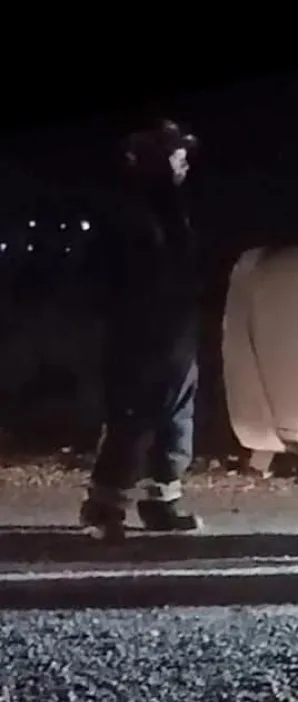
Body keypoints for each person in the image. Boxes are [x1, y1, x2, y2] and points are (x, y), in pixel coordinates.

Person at [80, 118, 204, 540]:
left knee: (176, 420)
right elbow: (110, 278)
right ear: (153, 160)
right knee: (132, 419)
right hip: (140, 335)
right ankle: (104, 508)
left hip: (175, 332)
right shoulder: (129, 211)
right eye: (176, 154)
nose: (184, 161)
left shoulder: (173, 209)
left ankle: (162, 502)